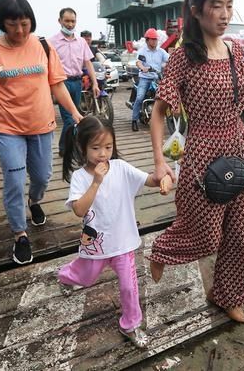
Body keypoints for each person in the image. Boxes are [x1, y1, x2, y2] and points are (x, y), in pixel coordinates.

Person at [147, 0, 244, 323]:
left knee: (239, 232)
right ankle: (162, 249)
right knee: (206, 235)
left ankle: (228, 295)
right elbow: (158, 113)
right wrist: (160, 163)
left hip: (237, 144)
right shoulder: (183, 57)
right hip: (203, 152)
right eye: (216, 5)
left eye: (229, 5)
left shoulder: (235, 51)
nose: (224, 13)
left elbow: (242, 105)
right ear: (197, 10)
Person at [0, 0, 83, 265]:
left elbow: (56, 84)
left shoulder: (44, 46)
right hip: (7, 127)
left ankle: (34, 201)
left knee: (42, 176)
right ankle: (20, 233)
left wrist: (76, 113)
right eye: (12, 24)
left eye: (24, 23)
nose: (19, 30)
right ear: (1, 23)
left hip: (42, 124)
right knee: (14, 180)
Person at [57, 116, 169, 348]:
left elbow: (148, 180)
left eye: (108, 147)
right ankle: (65, 276)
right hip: (96, 244)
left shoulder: (121, 168)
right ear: (82, 147)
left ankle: (131, 324)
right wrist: (96, 182)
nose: (103, 154)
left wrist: (163, 177)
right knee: (84, 277)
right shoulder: (80, 177)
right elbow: (79, 210)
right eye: (95, 148)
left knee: (129, 286)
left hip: (123, 243)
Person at [49, 8, 100, 156]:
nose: (70, 24)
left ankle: (66, 146)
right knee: (69, 119)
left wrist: (95, 83)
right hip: (62, 83)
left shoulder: (81, 42)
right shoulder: (52, 42)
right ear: (60, 21)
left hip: (77, 83)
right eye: (67, 21)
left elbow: (88, 63)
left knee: (75, 115)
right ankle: (66, 148)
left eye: (73, 21)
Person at [132, 28, 169, 131]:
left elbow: (170, 59)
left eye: (156, 39)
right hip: (145, 78)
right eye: (152, 39)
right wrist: (142, 68)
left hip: (157, 78)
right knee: (139, 98)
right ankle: (134, 120)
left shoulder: (161, 51)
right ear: (147, 40)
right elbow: (138, 62)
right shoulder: (142, 51)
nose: (155, 41)